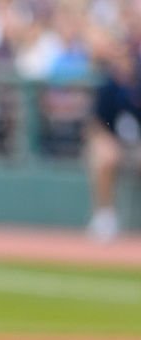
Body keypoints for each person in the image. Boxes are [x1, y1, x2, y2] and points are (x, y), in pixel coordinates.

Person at [85, 29, 141, 242]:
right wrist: (105, 142)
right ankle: (105, 217)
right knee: (106, 156)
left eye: (125, 55)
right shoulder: (108, 85)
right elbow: (96, 124)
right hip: (117, 144)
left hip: (138, 145)